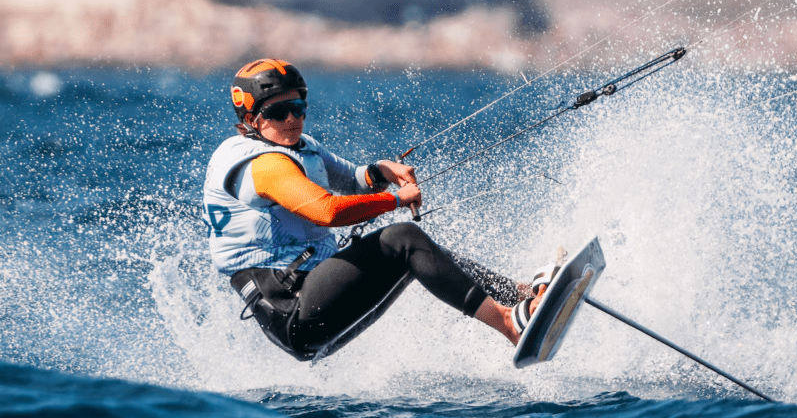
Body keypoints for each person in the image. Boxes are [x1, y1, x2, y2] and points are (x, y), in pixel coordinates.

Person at [202, 58, 549, 361]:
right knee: (404, 239)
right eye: (278, 112)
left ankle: (524, 297)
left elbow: (353, 179)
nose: (292, 118)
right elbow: (327, 211)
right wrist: (396, 200)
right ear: (250, 118)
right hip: (292, 310)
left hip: (316, 292)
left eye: (299, 108)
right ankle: (508, 323)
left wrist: (381, 172)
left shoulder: (298, 146)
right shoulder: (264, 167)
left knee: (416, 252)